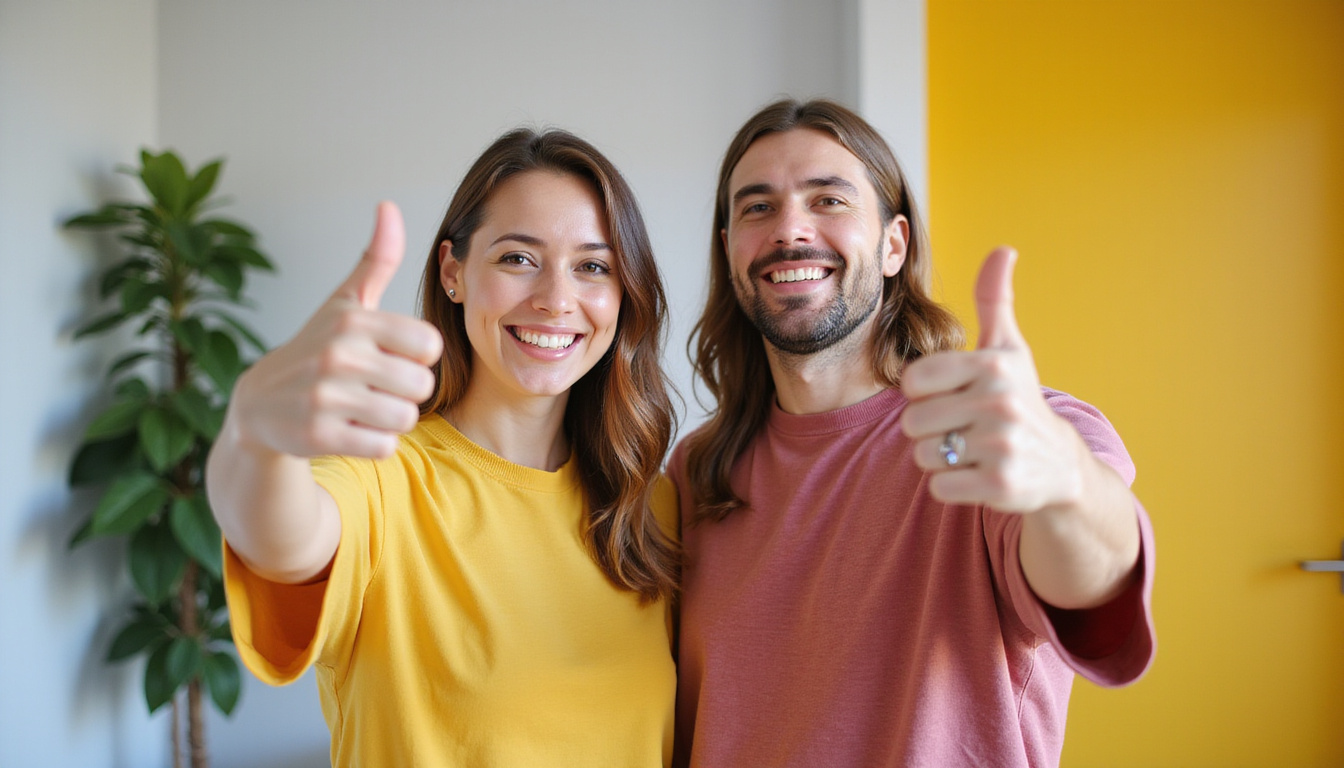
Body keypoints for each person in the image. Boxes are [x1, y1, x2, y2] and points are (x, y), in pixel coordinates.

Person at [669, 98, 1156, 767]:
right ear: (729, 252)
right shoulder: (693, 476)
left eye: (829, 201)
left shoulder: (1001, 439)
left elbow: (1097, 591)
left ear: (894, 245)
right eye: (756, 207)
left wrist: (1066, 485)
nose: (790, 229)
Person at [207, 129, 680, 766]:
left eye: (593, 267)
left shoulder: (650, 505)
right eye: (518, 258)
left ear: (624, 295)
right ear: (453, 271)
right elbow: (281, 542)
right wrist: (253, 438)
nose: (556, 299)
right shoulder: (380, 473)